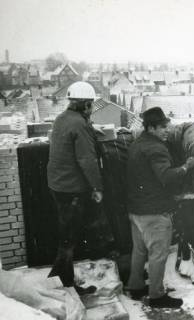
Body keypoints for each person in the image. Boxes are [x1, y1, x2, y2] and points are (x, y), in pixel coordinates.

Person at [126, 107, 194, 309]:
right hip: (153, 212)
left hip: (136, 210)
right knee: (158, 254)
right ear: (151, 128)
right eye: (162, 127)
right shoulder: (157, 149)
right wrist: (187, 167)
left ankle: (135, 286)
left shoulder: (138, 143)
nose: (167, 130)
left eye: (167, 126)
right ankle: (157, 296)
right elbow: (166, 177)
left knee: (139, 251)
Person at [47, 81, 103, 295]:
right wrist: (97, 187)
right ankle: (67, 285)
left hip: (58, 185)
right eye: (91, 105)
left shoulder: (62, 119)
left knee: (66, 234)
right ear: (86, 105)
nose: (92, 109)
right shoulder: (80, 124)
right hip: (71, 189)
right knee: (69, 239)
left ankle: (59, 279)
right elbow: (87, 159)